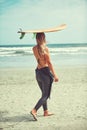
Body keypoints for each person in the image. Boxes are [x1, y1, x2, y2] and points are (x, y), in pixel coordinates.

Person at [30, 32, 58, 121]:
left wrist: (42, 42)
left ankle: (46, 111)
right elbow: (49, 63)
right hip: (45, 73)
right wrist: (55, 75)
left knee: (43, 93)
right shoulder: (45, 49)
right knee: (45, 95)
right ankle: (34, 110)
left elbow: (39, 52)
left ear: (36, 38)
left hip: (38, 73)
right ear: (44, 38)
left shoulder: (34, 48)